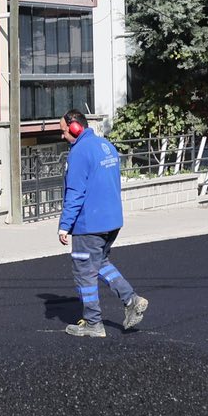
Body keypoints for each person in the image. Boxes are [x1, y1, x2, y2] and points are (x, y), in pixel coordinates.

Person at [56, 110, 149, 339]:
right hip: (112, 221)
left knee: (84, 273)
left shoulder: (78, 152)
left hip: (89, 224)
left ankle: (93, 323)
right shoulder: (106, 146)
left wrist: (64, 225)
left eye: (64, 130)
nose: (62, 135)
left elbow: (75, 192)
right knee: (100, 263)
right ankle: (131, 300)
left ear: (75, 127)